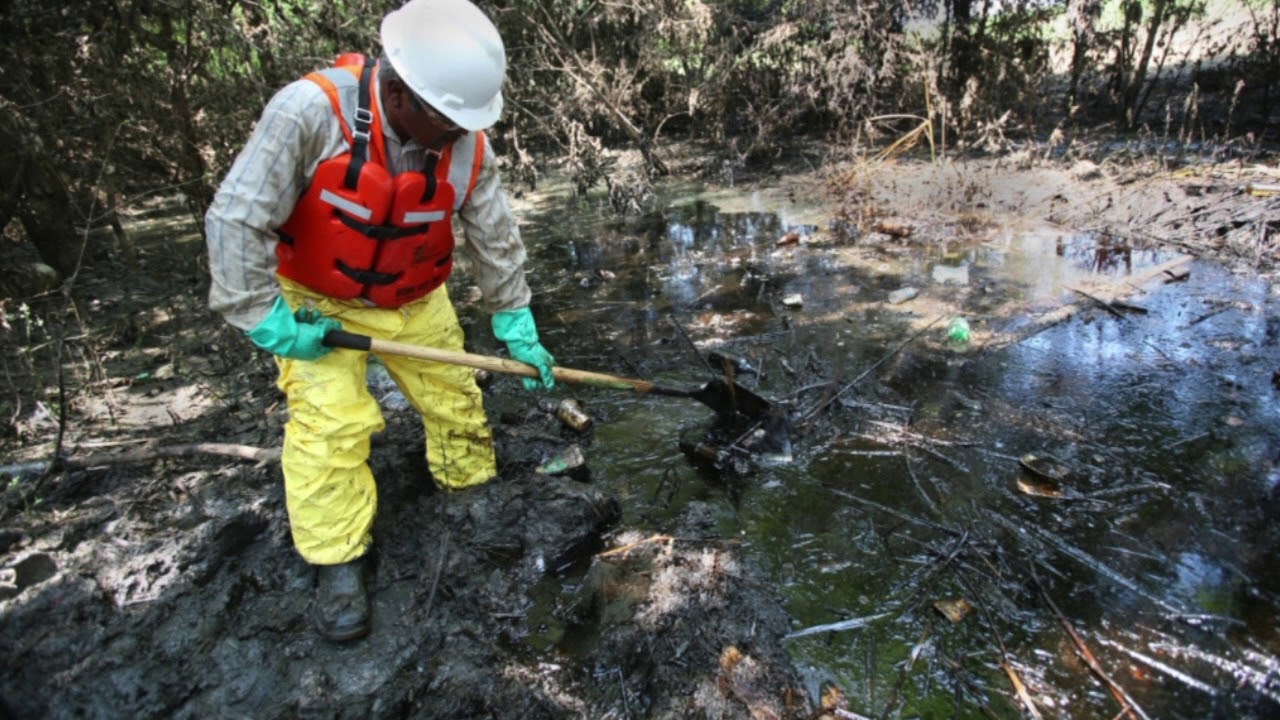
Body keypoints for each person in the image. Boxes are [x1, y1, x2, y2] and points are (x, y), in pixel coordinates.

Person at [204, 0, 555, 641]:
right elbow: (234, 219)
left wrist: (515, 317)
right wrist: (264, 316)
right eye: (445, 123)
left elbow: (494, 238)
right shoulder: (309, 113)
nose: (454, 137)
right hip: (317, 300)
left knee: (455, 400)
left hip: (416, 296)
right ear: (397, 91)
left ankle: (470, 498)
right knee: (331, 424)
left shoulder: (465, 145)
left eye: (462, 126)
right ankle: (336, 559)